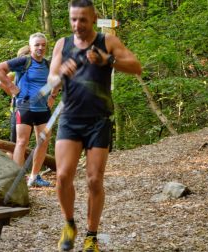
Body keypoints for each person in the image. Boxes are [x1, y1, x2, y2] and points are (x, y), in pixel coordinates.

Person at [49, 1, 141, 251]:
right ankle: (69, 224)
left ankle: (91, 236)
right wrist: (61, 75)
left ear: (93, 18)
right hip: (70, 118)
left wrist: (107, 60)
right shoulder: (63, 44)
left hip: (98, 120)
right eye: (73, 20)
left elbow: (136, 66)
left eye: (82, 20)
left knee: (94, 180)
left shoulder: (107, 42)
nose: (77, 25)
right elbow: (51, 80)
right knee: (63, 176)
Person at [0, 32, 56, 187]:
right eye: (37, 45)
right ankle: (17, 180)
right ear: (30, 47)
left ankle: (34, 177)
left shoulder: (48, 64)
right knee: (21, 142)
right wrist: (12, 88)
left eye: (43, 45)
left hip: (42, 108)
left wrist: (53, 96)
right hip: (25, 106)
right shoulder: (24, 61)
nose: (40, 47)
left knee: (44, 141)